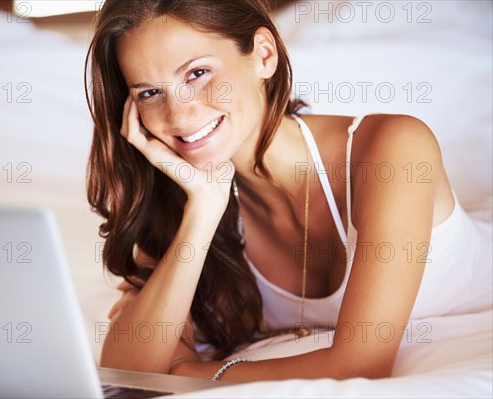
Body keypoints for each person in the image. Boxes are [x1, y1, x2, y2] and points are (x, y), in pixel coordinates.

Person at [85, 0, 492, 382]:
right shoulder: (182, 197)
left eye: (197, 73)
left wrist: (193, 373)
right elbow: (129, 372)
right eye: (149, 93)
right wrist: (204, 211)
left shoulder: (393, 149)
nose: (178, 115)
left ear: (264, 54)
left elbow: (362, 362)